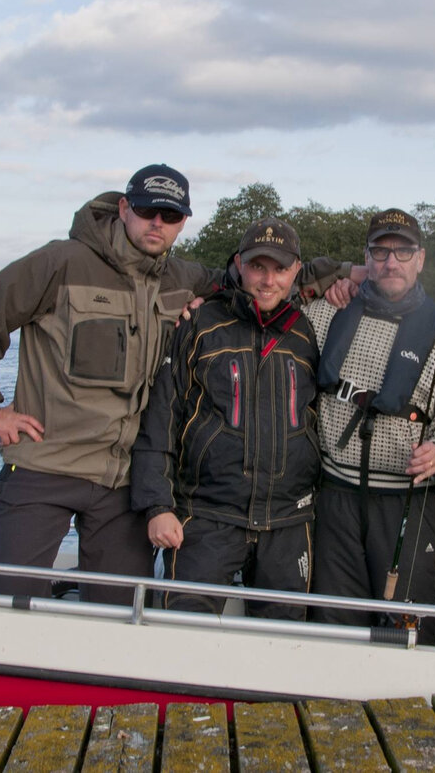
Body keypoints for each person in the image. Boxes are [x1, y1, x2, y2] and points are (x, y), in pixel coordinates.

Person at [0, 165, 357, 605]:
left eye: (171, 215)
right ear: (124, 208)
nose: (157, 223)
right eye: (146, 210)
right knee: (12, 603)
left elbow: (266, 279)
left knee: (122, 613)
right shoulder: (59, 262)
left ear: (182, 223)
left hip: (122, 484)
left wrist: (351, 273)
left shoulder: (183, 279)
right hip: (45, 466)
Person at [304, 209, 435, 638]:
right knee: (333, 631)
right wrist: (330, 280)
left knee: (407, 635)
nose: (391, 262)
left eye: (403, 252)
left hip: (408, 506)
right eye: (381, 252)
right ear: (365, 259)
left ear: (420, 259)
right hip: (334, 503)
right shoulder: (325, 314)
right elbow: (270, 289)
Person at [130, 218, 319, 620]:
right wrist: (157, 505)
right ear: (238, 265)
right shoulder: (198, 323)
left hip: (287, 522)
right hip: (206, 516)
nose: (268, 281)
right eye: (258, 267)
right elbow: (162, 417)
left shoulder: (309, 331)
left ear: (296, 271)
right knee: (182, 633)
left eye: (280, 269)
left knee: (284, 644)